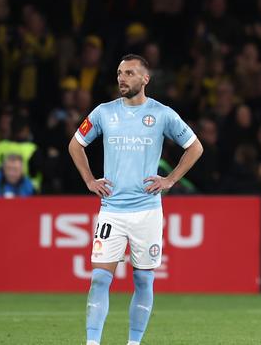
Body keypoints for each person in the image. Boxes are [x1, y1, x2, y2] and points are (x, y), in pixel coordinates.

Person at [68, 54, 203, 345]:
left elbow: (195, 147)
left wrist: (170, 180)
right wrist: (89, 180)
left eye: (129, 73)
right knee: (100, 278)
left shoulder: (162, 114)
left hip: (147, 211)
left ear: (145, 79)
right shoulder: (104, 112)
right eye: (119, 72)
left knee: (143, 279)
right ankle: (92, 343)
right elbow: (75, 144)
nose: (122, 78)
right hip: (112, 211)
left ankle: (134, 343)